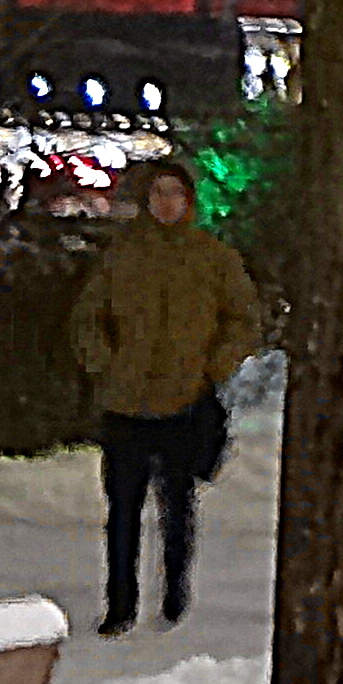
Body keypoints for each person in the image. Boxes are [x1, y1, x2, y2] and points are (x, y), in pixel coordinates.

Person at [69, 158, 263, 636]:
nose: (167, 203)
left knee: (178, 506)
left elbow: (242, 320)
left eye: (175, 193)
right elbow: (87, 318)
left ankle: (176, 597)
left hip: (185, 401)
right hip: (126, 403)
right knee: (123, 510)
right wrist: (104, 362)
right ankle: (120, 604)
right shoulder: (121, 256)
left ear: (189, 201)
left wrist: (211, 367)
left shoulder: (212, 257)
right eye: (158, 193)